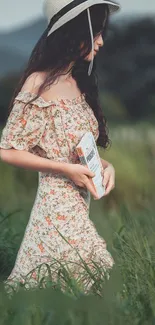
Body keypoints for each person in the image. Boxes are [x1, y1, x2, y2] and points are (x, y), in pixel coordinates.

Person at [0, 0, 120, 294]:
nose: (101, 42)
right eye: (96, 33)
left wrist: (106, 166)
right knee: (72, 291)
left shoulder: (79, 82)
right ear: (75, 33)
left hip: (80, 207)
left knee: (64, 295)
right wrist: (63, 169)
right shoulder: (37, 83)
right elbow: (7, 149)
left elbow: (79, 149)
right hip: (54, 210)